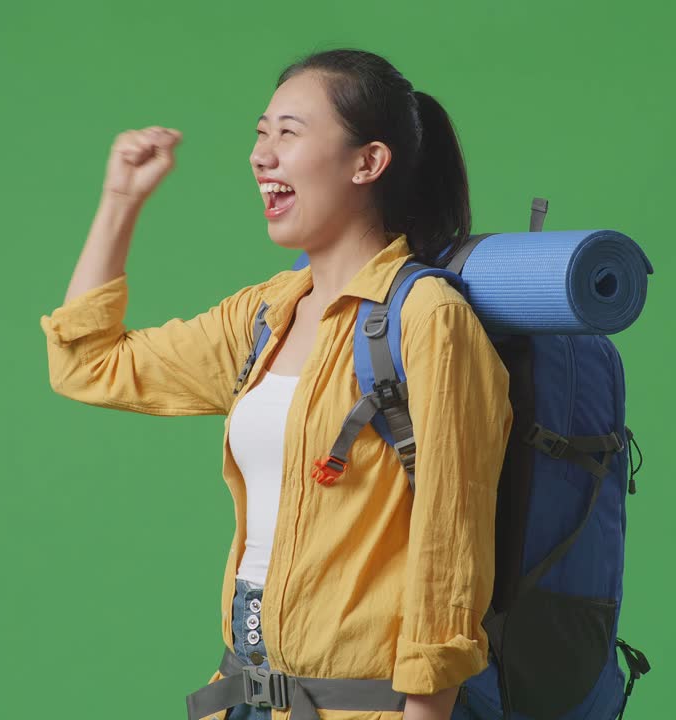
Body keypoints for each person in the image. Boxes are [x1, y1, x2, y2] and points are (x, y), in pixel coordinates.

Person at [39, 48, 513, 720]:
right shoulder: (264, 314)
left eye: (289, 133)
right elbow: (87, 363)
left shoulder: (426, 319)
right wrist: (121, 199)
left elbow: (451, 541)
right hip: (249, 693)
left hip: (370, 706)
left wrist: (428, 712)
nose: (262, 155)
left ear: (366, 162)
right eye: (261, 134)